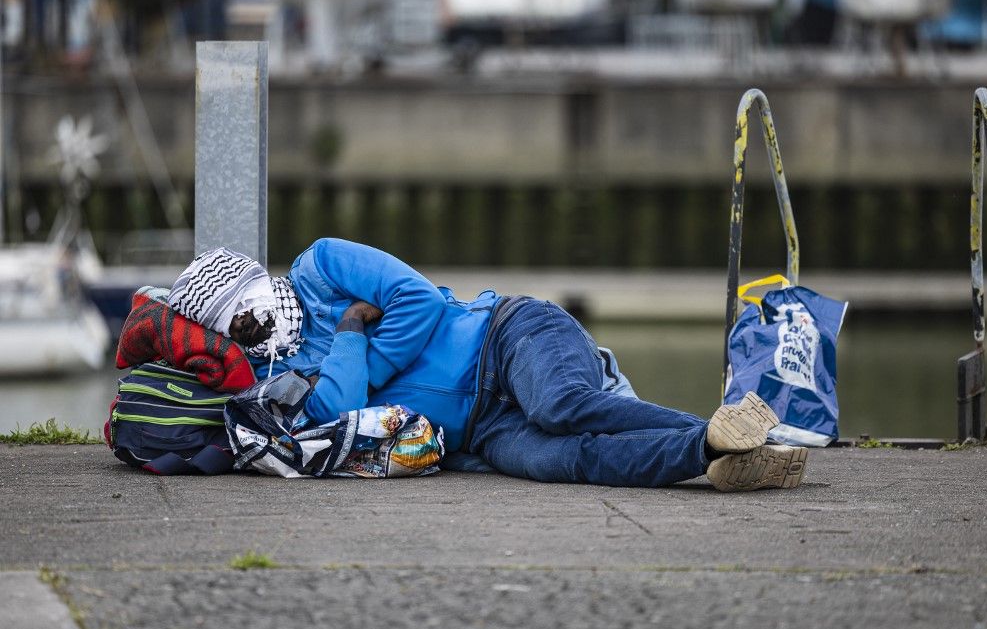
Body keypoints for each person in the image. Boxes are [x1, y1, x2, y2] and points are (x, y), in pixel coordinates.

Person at [167, 240, 807, 491]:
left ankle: (728, 426)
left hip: (505, 335)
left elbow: (415, 298)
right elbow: (334, 412)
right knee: (569, 461)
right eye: (239, 332)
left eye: (249, 312)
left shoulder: (323, 264)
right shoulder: (285, 367)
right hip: (480, 433)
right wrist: (352, 328)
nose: (256, 331)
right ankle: (713, 454)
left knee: (559, 407)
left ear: (255, 283)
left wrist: (362, 365)